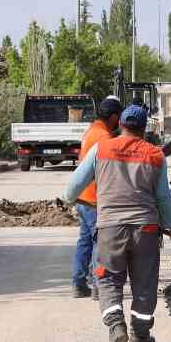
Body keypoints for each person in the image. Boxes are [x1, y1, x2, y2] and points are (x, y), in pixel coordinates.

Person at [63, 104, 171, 342]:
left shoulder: (101, 148)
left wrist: (70, 198)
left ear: (121, 124)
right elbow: (163, 198)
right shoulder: (155, 155)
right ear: (144, 128)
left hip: (110, 227)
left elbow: (73, 187)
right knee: (145, 281)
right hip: (147, 229)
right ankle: (139, 335)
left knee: (107, 278)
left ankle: (115, 325)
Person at [70, 96, 123, 298]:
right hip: (95, 199)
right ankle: (98, 286)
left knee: (84, 241)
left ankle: (78, 283)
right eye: (119, 119)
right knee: (99, 242)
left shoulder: (91, 131)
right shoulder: (104, 138)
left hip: (83, 197)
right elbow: (110, 170)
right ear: (114, 117)